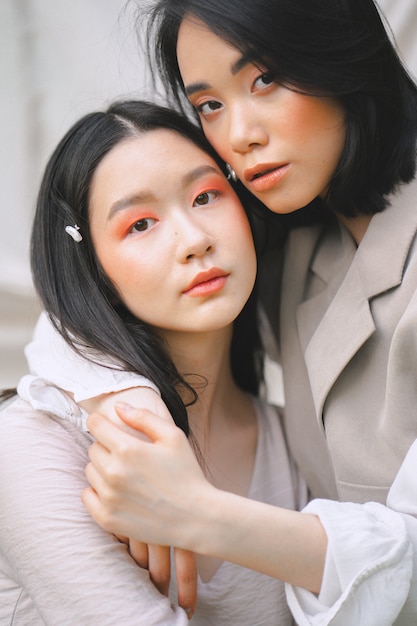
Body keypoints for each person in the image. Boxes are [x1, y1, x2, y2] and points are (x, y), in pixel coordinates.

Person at [21, 0, 417, 623]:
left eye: (265, 78)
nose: (240, 136)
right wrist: (119, 400)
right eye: (209, 105)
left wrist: (191, 511)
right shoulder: (296, 235)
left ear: (343, 53)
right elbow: (81, 297)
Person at [0, 98, 316, 625]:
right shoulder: (34, 443)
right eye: (141, 224)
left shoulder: (293, 438)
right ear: (90, 267)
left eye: (207, 195)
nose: (195, 240)